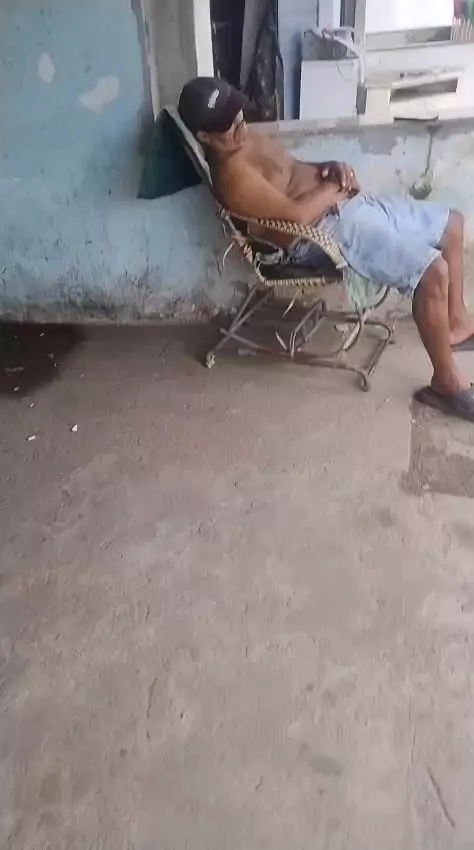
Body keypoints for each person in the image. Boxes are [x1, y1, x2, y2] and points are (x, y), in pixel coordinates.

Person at [179, 77, 474, 421]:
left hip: (344, 207)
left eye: (238, 113)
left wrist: (329, 167)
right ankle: (445, 383)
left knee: (452, 224)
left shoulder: (245, 138)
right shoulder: (233, 175)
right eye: (228, 124)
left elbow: (294, 170)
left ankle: (456, 325)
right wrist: (336, 191)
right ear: (205, 137)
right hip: (324, 230)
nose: (239, 123)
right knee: (432, 272)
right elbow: (297, 217)